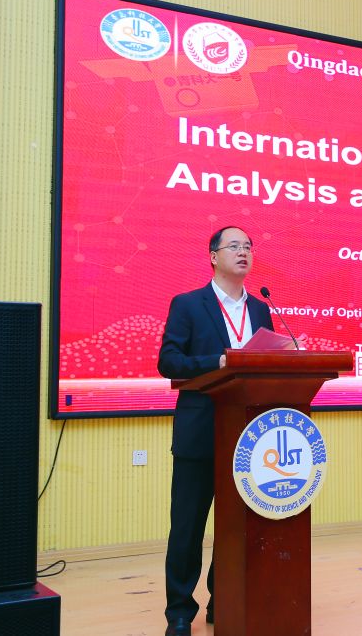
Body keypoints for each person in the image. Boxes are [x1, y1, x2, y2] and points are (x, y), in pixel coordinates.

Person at [157, 226, 274, 636]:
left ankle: (222, 598)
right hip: (200, 433)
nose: (243, 252)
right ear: (213, 256)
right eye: (234, 246)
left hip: (247, 437)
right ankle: (179, 611)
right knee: (187, 527)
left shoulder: (260, 309)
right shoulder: (189, 304)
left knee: (235, 526)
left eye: (248, 247)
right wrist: (218, 361)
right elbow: (169, 361)